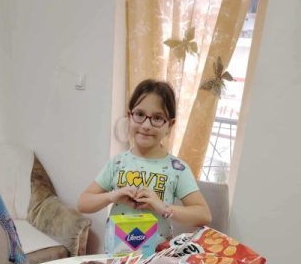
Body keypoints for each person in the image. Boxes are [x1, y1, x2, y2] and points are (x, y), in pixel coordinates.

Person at [77, 79, 212, 248]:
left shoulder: (177, 168)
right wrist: (112, 196)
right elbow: (83, 203)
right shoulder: (118, 162)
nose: (146, 125)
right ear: (129, 116)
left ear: (170, 125)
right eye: (140, 115)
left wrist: (163, 207)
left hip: (156, 259)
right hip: (117, 255)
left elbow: (203, 215)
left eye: (157, 118)